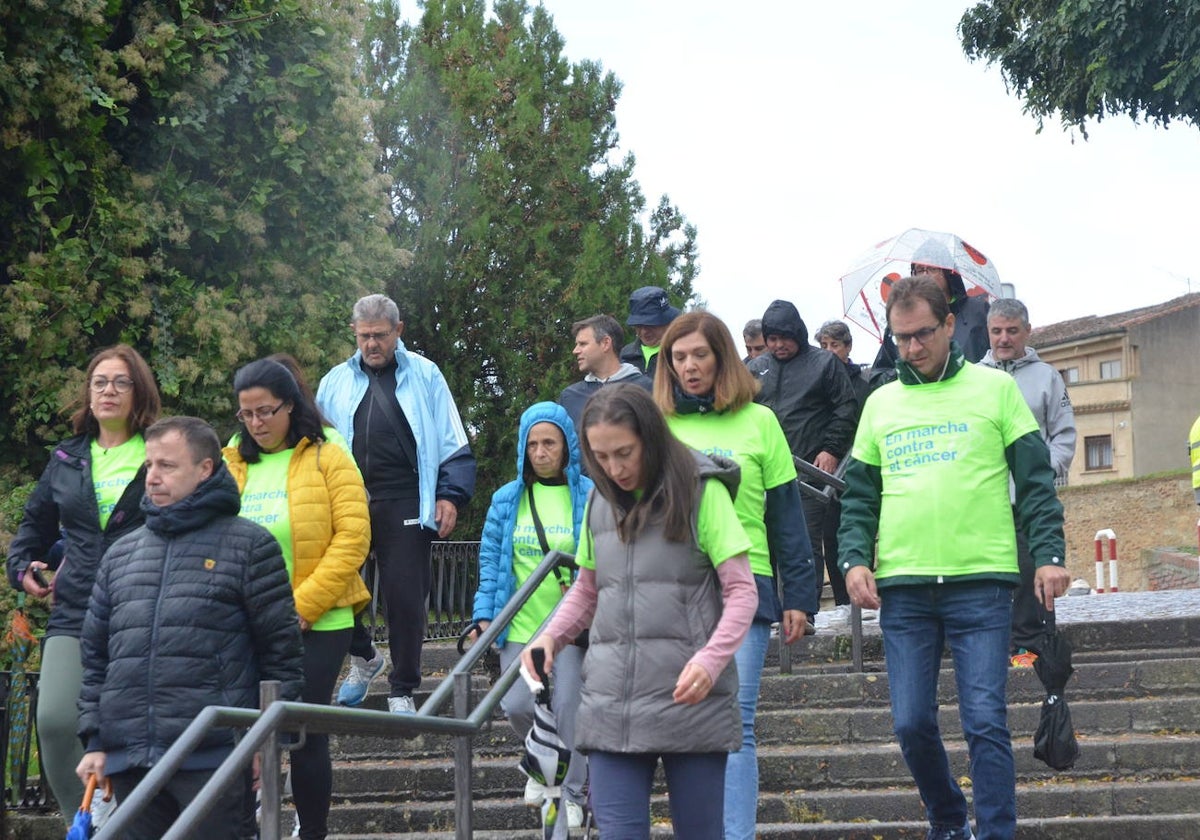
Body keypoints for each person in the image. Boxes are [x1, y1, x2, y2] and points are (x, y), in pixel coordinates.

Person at [838, 276, 1071, 840]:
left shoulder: (995, 391)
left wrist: (1048, 555)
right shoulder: (881, 402)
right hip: (905, 586)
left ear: (949, 325)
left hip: (982, 584)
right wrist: (852, 559)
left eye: (922, 335)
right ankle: (947, 816)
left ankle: (995, 832)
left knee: (985, 722)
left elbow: (1036, 482)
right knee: (911, 723)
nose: (912, 349)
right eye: (900, 339)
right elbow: (860, 494)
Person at [521, 386, 757, 839]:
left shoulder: (704, 492)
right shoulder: (598, 501)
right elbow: (587, 591)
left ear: (651, 437)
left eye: (624, 453)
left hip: (691, 701)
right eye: (601, 457)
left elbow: (743, 592)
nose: (614, 468)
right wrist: (550, 637)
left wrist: (711, 661)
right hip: (611, 704)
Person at [75, 417, 304, 840]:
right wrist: (94, 741)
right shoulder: (120, 553)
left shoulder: (250, 545)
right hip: (131, 760)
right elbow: (95, 659)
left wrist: (267, 744)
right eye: (148, 466)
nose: (153, 477)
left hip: (214, 756)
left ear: (205, 469)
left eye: (167, 465)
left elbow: (282, 654)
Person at [654, 311, 817, 840]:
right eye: (679, 358)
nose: (690, 366)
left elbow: (786, 518)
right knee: (682, 727)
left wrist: (801, 598)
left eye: (700, 354)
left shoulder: (760, 422)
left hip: (747, 588)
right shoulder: (657, 424)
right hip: (673, 592)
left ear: (722, 357)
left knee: (736, 724)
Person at [5, 345, 160, 822]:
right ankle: (87, 822)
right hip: (76, 607)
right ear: (88, 394)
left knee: (131, 726)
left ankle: (133, 822)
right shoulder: (68, 457)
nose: (108, 391)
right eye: (99, 382)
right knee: (53, 721)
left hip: (146, 604)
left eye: (120, 382)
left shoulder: (160, 448)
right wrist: (23, 567)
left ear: (139, 391)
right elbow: (34, 528)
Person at [223, 359, 372, 840]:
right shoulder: (232, 459)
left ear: (291, 405)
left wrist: (301, 607)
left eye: (265, 411)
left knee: (302, 732)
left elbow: (353, 537)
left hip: (320, 620)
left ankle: (312, 833)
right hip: (244, 621)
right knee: (240, 733)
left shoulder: (328, 456)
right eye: (246, 414)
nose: (256, 423)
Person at [317, 293, 476, 714]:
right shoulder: (333, 381)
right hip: (348, 500)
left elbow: (451, 439)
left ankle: (403, 687)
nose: (372, 344)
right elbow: (314, 444)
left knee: (405, 598)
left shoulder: (425, 375)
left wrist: (450, 495)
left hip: (407, 497)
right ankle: (365, 658)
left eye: (381, 336)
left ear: (398, 331)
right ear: (354, 332)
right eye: (365, 336)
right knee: (332, 586)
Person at [469, 402, 593, 828]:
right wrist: (484, 615)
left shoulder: (590, 493)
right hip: (520, 624)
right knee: (518, 703)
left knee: (568, 705)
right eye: (533, 444)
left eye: (550, 444)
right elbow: (490, 561)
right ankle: (545, 762)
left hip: (571, 628)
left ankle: (573, 792)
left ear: (566, 447)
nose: (541, 453)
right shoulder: (507, 499)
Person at [979, 299, 1077, 668]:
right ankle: (994, 644)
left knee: (1030, 570)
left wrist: (1040, 472)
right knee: (992, 574)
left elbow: (1064, 435)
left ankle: (1031, 647)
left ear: (1027, 331)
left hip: (1030, 497)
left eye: (1012, 331)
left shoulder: (1047, 377)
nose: (1004, 339)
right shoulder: (976, 377)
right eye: (997, 331)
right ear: (988, 332)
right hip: (987, 497)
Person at [748, 300, 857, 611]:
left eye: (785, 337)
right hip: (764, 470)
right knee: (763, 541)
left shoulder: (824, 363)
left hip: (809, 469)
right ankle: (766, 611)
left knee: (805, 542)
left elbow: (846, 408)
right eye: (772, 339)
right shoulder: (755, 369)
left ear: (798, 333)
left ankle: (805, 611)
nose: (778, 345)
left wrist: (831, 450)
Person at [870, 238, 992, 386]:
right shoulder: (901, 321)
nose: (925, 274)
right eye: (920, 269)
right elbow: (878, 377)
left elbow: (998, 356)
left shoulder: (978, 311)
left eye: (933, 268)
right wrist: (908, 370)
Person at [558, 314, 652, 433]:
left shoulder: (646, 389)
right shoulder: (569, 397)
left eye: (583, 344)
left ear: (605, 343)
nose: (575, 351)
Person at [619, 285, 681, 378]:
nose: (644, 332)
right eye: (638, 326)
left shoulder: (680, 354)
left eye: (650, 325)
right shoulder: (625, 355)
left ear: (666, 322)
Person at [815, 319, 870, 412]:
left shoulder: (865, 380)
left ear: (848, 347)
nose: (828, 351)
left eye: (834, 345)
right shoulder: (816, 381)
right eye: (824, 346)